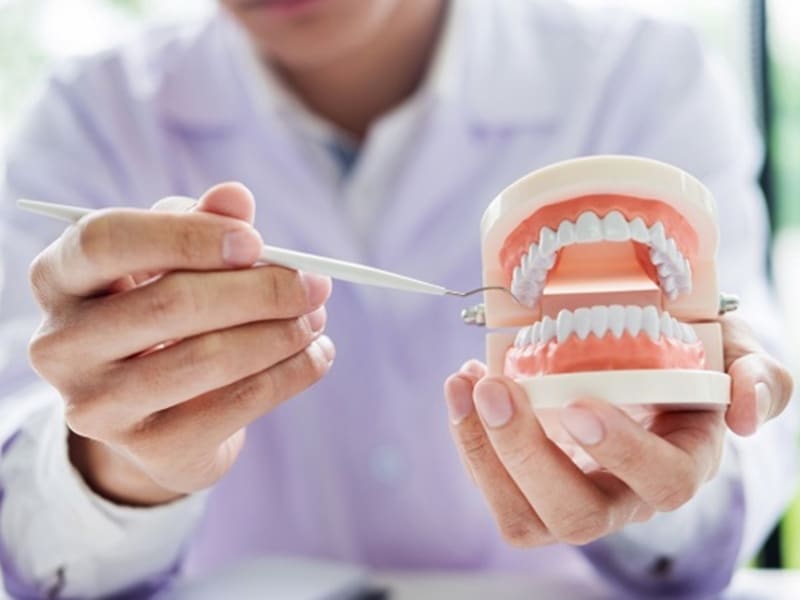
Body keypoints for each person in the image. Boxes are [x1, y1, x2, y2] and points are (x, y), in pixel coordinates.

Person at [0, 0, 796, 597]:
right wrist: (115, 462)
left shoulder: (647, 76)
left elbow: (743, 396)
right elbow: (33, 520)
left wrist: (667, 464)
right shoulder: (85, 119)